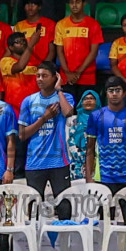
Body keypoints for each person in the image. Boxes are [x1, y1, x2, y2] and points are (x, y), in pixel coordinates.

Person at [85, 80, 126, 251]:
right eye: (111, 90)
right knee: (104, 219)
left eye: (118, 90)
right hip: (104, 176)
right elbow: (90, 148)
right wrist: (89, 176)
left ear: (124, 92)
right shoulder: (96, 116)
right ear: (106, 93)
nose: (114, 94)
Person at [18, 62, 75, 202]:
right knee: (33, 211)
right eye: (37, 76)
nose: (39, 79)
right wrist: (44, 118)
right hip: (35, 162)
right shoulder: (28, 101)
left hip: (59, 162)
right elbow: (22, 134)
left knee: (64, 208)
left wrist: (59, 89)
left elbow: (68, 113)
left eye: (44, 76)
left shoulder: (65, 97)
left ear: (55, 77)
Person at [54, 0, 103, 100]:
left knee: (86, 111)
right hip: (66, 77)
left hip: (87, 76)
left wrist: (78, 72)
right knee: (67, 111)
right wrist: (68, 73)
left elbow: (93, 52)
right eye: (71, 3)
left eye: (77, 2)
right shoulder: (61, 25)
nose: (74, 5)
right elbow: (60, 51)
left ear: (84, 4)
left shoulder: (93, 24)